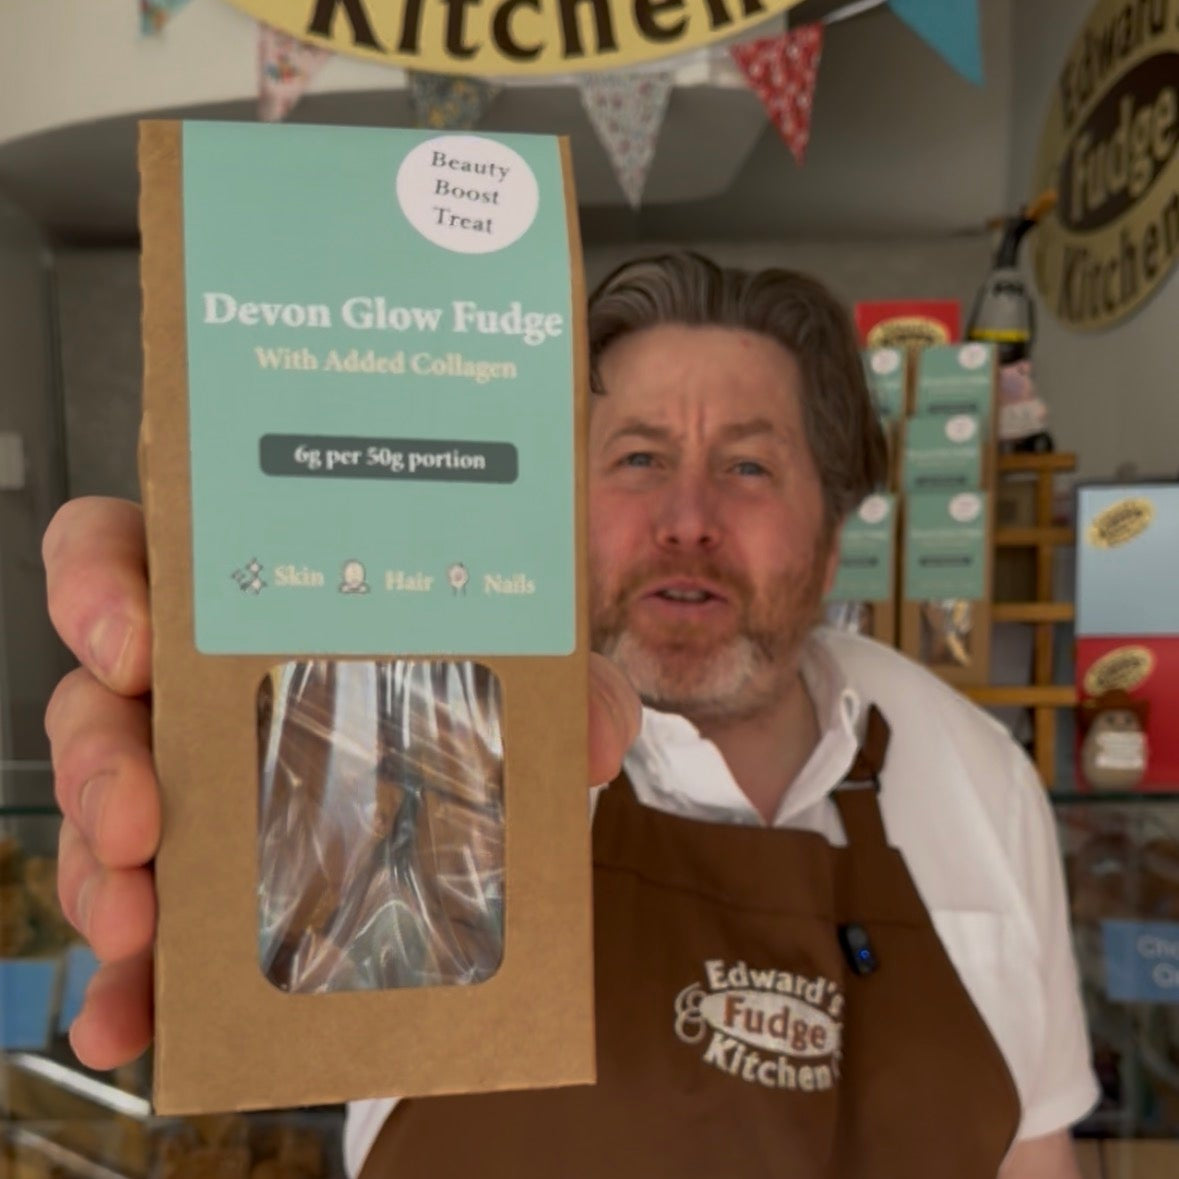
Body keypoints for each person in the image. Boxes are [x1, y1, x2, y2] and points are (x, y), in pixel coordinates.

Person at [43, 252, 1097, 1178]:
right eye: (638, 459)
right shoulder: (432, 735)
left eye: (749, 465)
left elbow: (1035, 1156)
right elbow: (274, 924)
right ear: (551, 502)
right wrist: (201, 722)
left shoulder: (978, 774)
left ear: (834, 534)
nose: (689, 520)